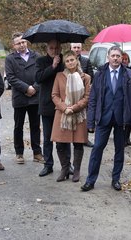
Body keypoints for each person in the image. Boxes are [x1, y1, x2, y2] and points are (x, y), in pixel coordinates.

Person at [81, 46, 131, 192]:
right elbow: (93, 99)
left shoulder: (130, 75)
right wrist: (91, 122)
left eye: (117, 56)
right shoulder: (100, 74)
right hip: (103, 118)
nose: (115, 58)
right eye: (112, 55)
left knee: (119, 150)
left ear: (122, 58)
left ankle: (116, 179)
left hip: (122, 119)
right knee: (97, 148)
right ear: (108, 57)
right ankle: (90, 180)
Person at [51, 50, 90, 182]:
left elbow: (87, 97)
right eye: (67, 61)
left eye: (72, 59)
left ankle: (77, 170)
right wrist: (64, 108)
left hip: (78, 114)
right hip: (62, 114)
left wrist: (73, 108)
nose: (70, 62)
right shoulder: (59, 76)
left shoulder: (86, 77)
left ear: (77, 60)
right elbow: (54, 95)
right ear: (65, 63)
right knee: (60, 144)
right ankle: (65, 168)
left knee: (78, 144)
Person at [5, 32, 43, 164]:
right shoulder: (10, 59)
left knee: (35, 126)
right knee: (18, 126)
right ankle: (19, 153)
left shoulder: (36, 56)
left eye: (23, 42)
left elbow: (41, 75)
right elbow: (10, 78)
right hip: (20, 97)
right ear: (14, 45)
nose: (21, 45)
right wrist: (26, 88)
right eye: (18, 43)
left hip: (35, 97)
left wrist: (35, 88)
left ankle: (37, 153)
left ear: (26, 42)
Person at [35, 39, 71, 177]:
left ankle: (67, 165)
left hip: (63, 105)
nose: (54, 50)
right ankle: (48, 164)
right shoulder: (41, 61)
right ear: (47, 49)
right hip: (47, 104)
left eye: (57, 48)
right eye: (51, 48)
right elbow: (38, 78)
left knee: (64, 137)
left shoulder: (66, 60)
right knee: (48, 137)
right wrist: (53, 66)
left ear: (60, 48)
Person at [70, 42, 94, 148]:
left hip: (83, 93)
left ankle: (84, 138)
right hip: (70, 93)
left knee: (84, 117)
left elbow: (91, 76)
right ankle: (70, 137)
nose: (76, 49)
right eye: (74, 47)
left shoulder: (86, 60)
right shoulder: (66, 60)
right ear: (71, 48)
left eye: (78, 47)